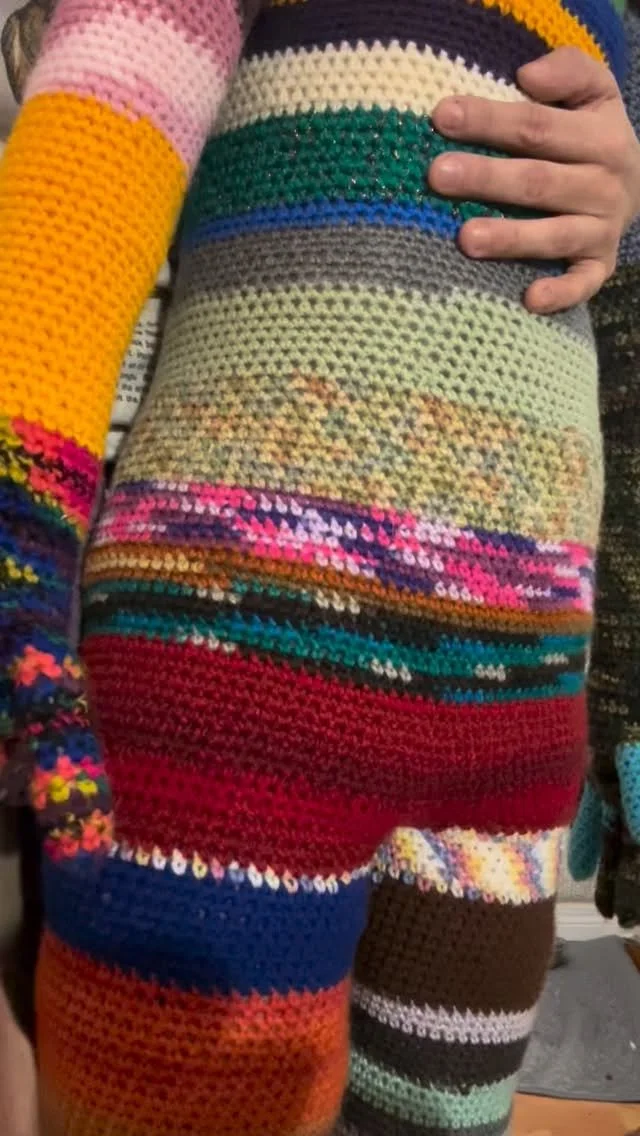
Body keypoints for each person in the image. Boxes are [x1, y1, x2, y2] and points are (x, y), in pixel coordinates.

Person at [0, 2, 639, 1134]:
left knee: (448, 1114)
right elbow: (93, 161)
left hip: (515, 723)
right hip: (233, 685)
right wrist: (22, 530)